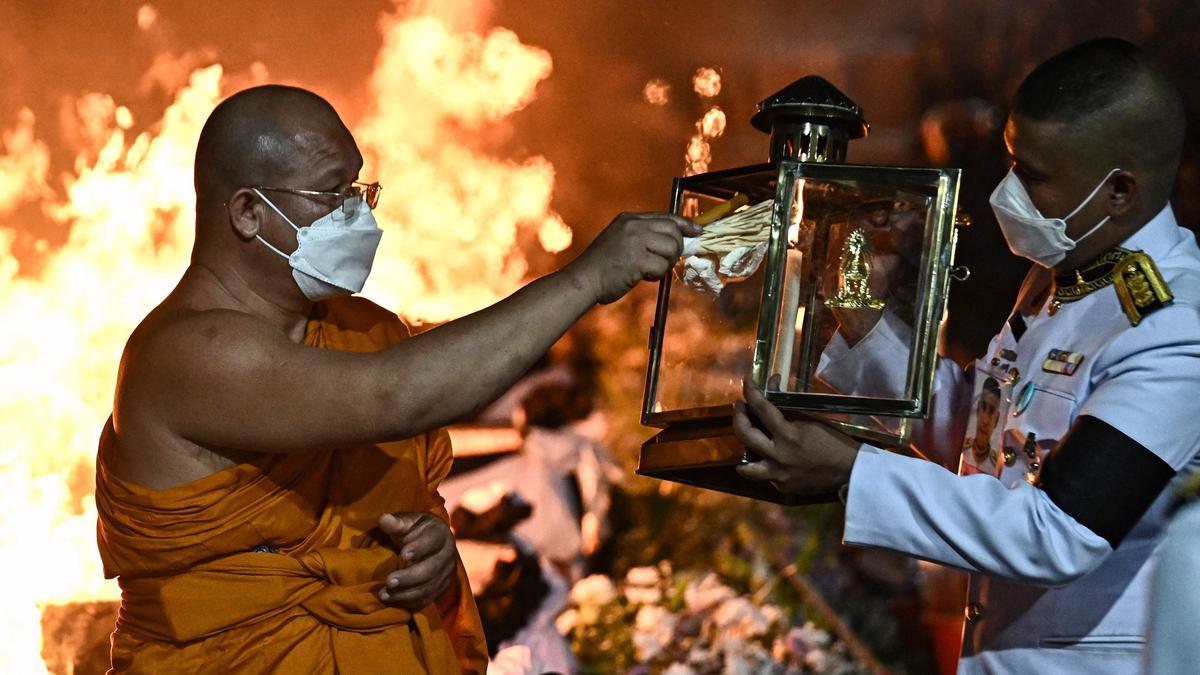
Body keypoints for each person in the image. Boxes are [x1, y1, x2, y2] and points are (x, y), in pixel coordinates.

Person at [94, 84, 697, 674]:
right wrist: (585, 280)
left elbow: (394, 497)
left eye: (360, 188)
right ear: (249, 212)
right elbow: (394, 395)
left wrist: (429, 545)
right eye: (332, 192)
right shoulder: (187, 354)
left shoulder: (359, 330)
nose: (357, 212)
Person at [733, 38, 1200, 673]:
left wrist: (853, 471)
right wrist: (853, 306)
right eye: (1011, 162)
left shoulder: (1173, 327)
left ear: (1118, 191)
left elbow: (1061, 532)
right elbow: (981, 437)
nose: (1007, 191)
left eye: (1032, 176)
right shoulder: (1066, 271)